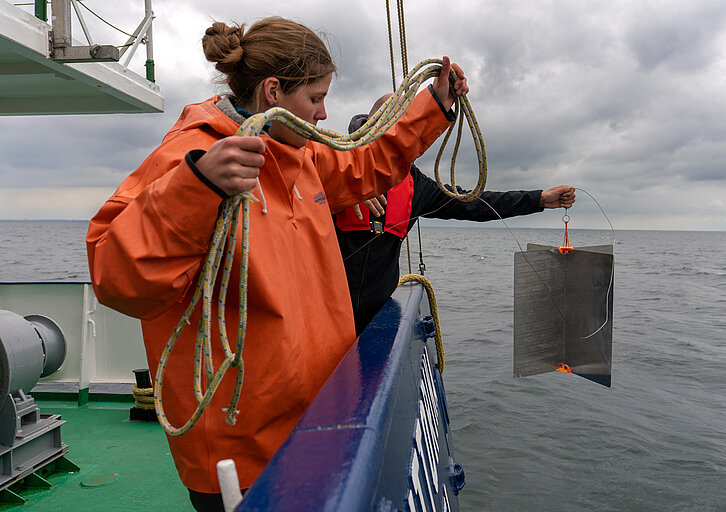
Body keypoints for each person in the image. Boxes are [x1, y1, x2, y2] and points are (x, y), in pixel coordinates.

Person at [86, 17, 468, 512]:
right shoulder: (190, 154)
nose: (324, 112)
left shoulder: (298, 153)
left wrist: (434, 107)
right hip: (240, 450)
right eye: (315, 98)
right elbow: (117, 277)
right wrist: (197, 186)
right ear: (273, 91)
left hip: (316, 419)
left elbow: (363, 165)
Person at [335, 94, 576, 335]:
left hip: (374, 324)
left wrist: (538, 199)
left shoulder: (416, 185)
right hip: (326, 315)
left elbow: (473, 204)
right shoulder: (332, 163)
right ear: (371, 124)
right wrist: (343, 186)